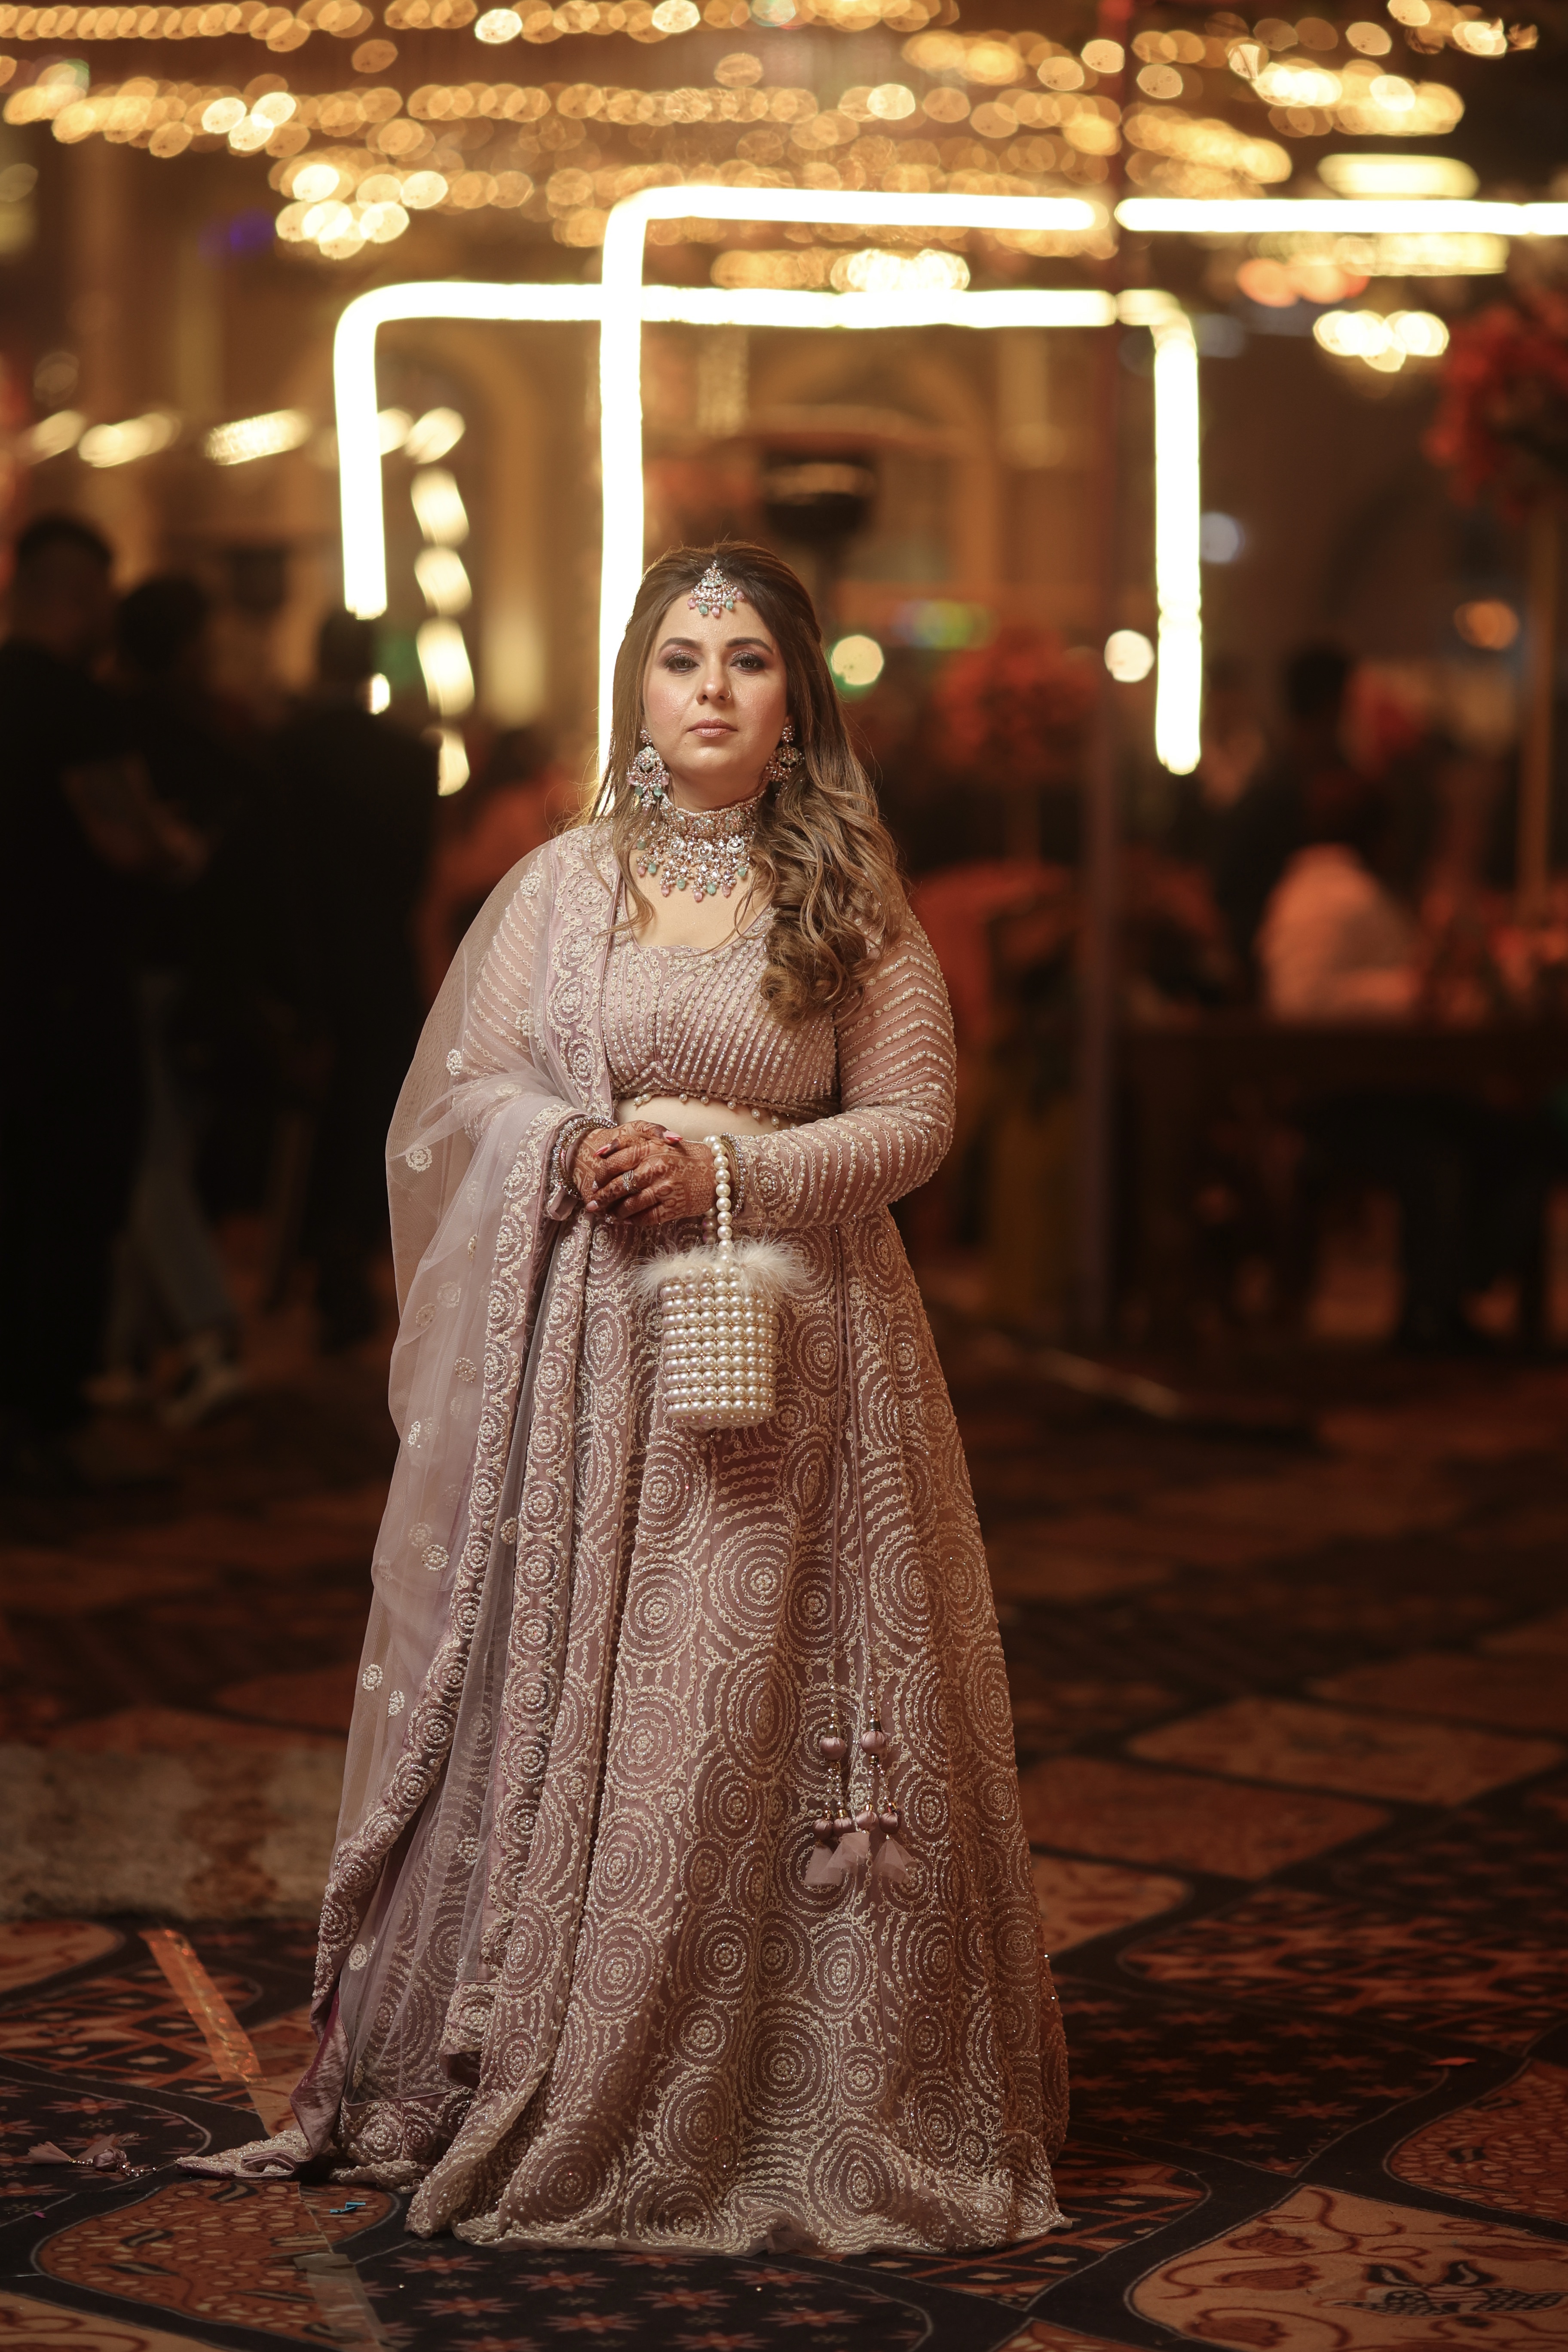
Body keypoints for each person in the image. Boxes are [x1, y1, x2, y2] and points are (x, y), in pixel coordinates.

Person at [183, 543, 1068, 2252]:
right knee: (595, 1693)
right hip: (590, 1357)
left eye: (746, 660)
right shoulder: (563, 887)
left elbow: (910, 1126)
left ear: (795, 692)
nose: (714, 690)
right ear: (637, 689)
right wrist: (571, 1142)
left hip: (802, 1362)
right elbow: (465, 1101)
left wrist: (734, 1176)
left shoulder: (851, 895)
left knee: (755, 1704)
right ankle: (532, 2042)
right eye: (681, 659)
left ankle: (797, 2090)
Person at [0, 515, 145, 1482]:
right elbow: (133, 845)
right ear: (84, 594)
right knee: (70, 1202)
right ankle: (49, 1421)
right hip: (69, 997)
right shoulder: (83, 711)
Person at [103, 574, 253, 1425]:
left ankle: (154, 1345)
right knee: (157, 1155)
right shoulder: (198, 736)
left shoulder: (134, 723)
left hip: (149, 966)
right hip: (175, 967)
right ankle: (194, 1335)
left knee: (146, 1153)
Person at [268, 611, 439, 1348]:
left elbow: (272, 874)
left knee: (308, 1121)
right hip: (381, 961)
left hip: (302, 962)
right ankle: (351, 1252)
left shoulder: (284, 750)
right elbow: (419, 871)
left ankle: (305, 1258)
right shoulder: (409, 759)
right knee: (375, 1114)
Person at [415, 723, 573, 1003]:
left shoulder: (484, 801)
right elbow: (541, 867)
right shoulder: (514, 807)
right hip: (482, 916)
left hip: (462, 913)